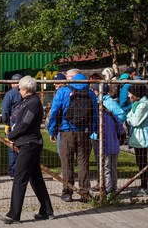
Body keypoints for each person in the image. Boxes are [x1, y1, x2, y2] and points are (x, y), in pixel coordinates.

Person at [0, 76, 54, 224]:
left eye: (20, 88)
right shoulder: (28, 102)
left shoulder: (33, 103)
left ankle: (14, 214)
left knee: (19, 178)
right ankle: (47, 211)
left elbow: (25, 124)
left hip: (29, 144)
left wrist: (11, 135)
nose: (18, 90)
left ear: (25, 89)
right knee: (36, 178)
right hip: (30, 143)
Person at [47, 69, 98, 203]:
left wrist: (52, 130)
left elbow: (54, 112)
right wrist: (93, 129)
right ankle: (85, 192)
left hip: (66, 131)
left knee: (67, 163)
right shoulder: (91, 93)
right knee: (83, 163)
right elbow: (95, 113)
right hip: (85, 132)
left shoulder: (63, 91)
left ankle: (67, 192)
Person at [126, 83, 148, 197]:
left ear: (135, 93)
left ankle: (144, 188)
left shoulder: (143, 106)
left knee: (142, 163)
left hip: (142, 138)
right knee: (140, 163)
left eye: (130, 93)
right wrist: (130, 116)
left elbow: (134, 121)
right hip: (138, 137)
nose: (128, 96)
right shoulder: (136, 105)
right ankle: (143, 186)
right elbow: (129, 116)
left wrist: (130, 117)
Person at [1, 73, 24, 178]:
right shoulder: (27, 93)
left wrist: (6, 123)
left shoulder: (10, 94)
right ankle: (23, 171)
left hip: (13, 123)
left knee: (12, 146)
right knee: (24, 146)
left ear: (13, 83)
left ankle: (13, 172)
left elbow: (5, 110)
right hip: (25, 123)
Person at [51, 72, 67, 158]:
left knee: (63, 152)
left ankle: (65, 171)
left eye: (56, 82)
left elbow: (54, 112)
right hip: (63, 126)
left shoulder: (60, 93)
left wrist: (52, 130)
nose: (54, 84)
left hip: (62, 126)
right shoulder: (69, 91)